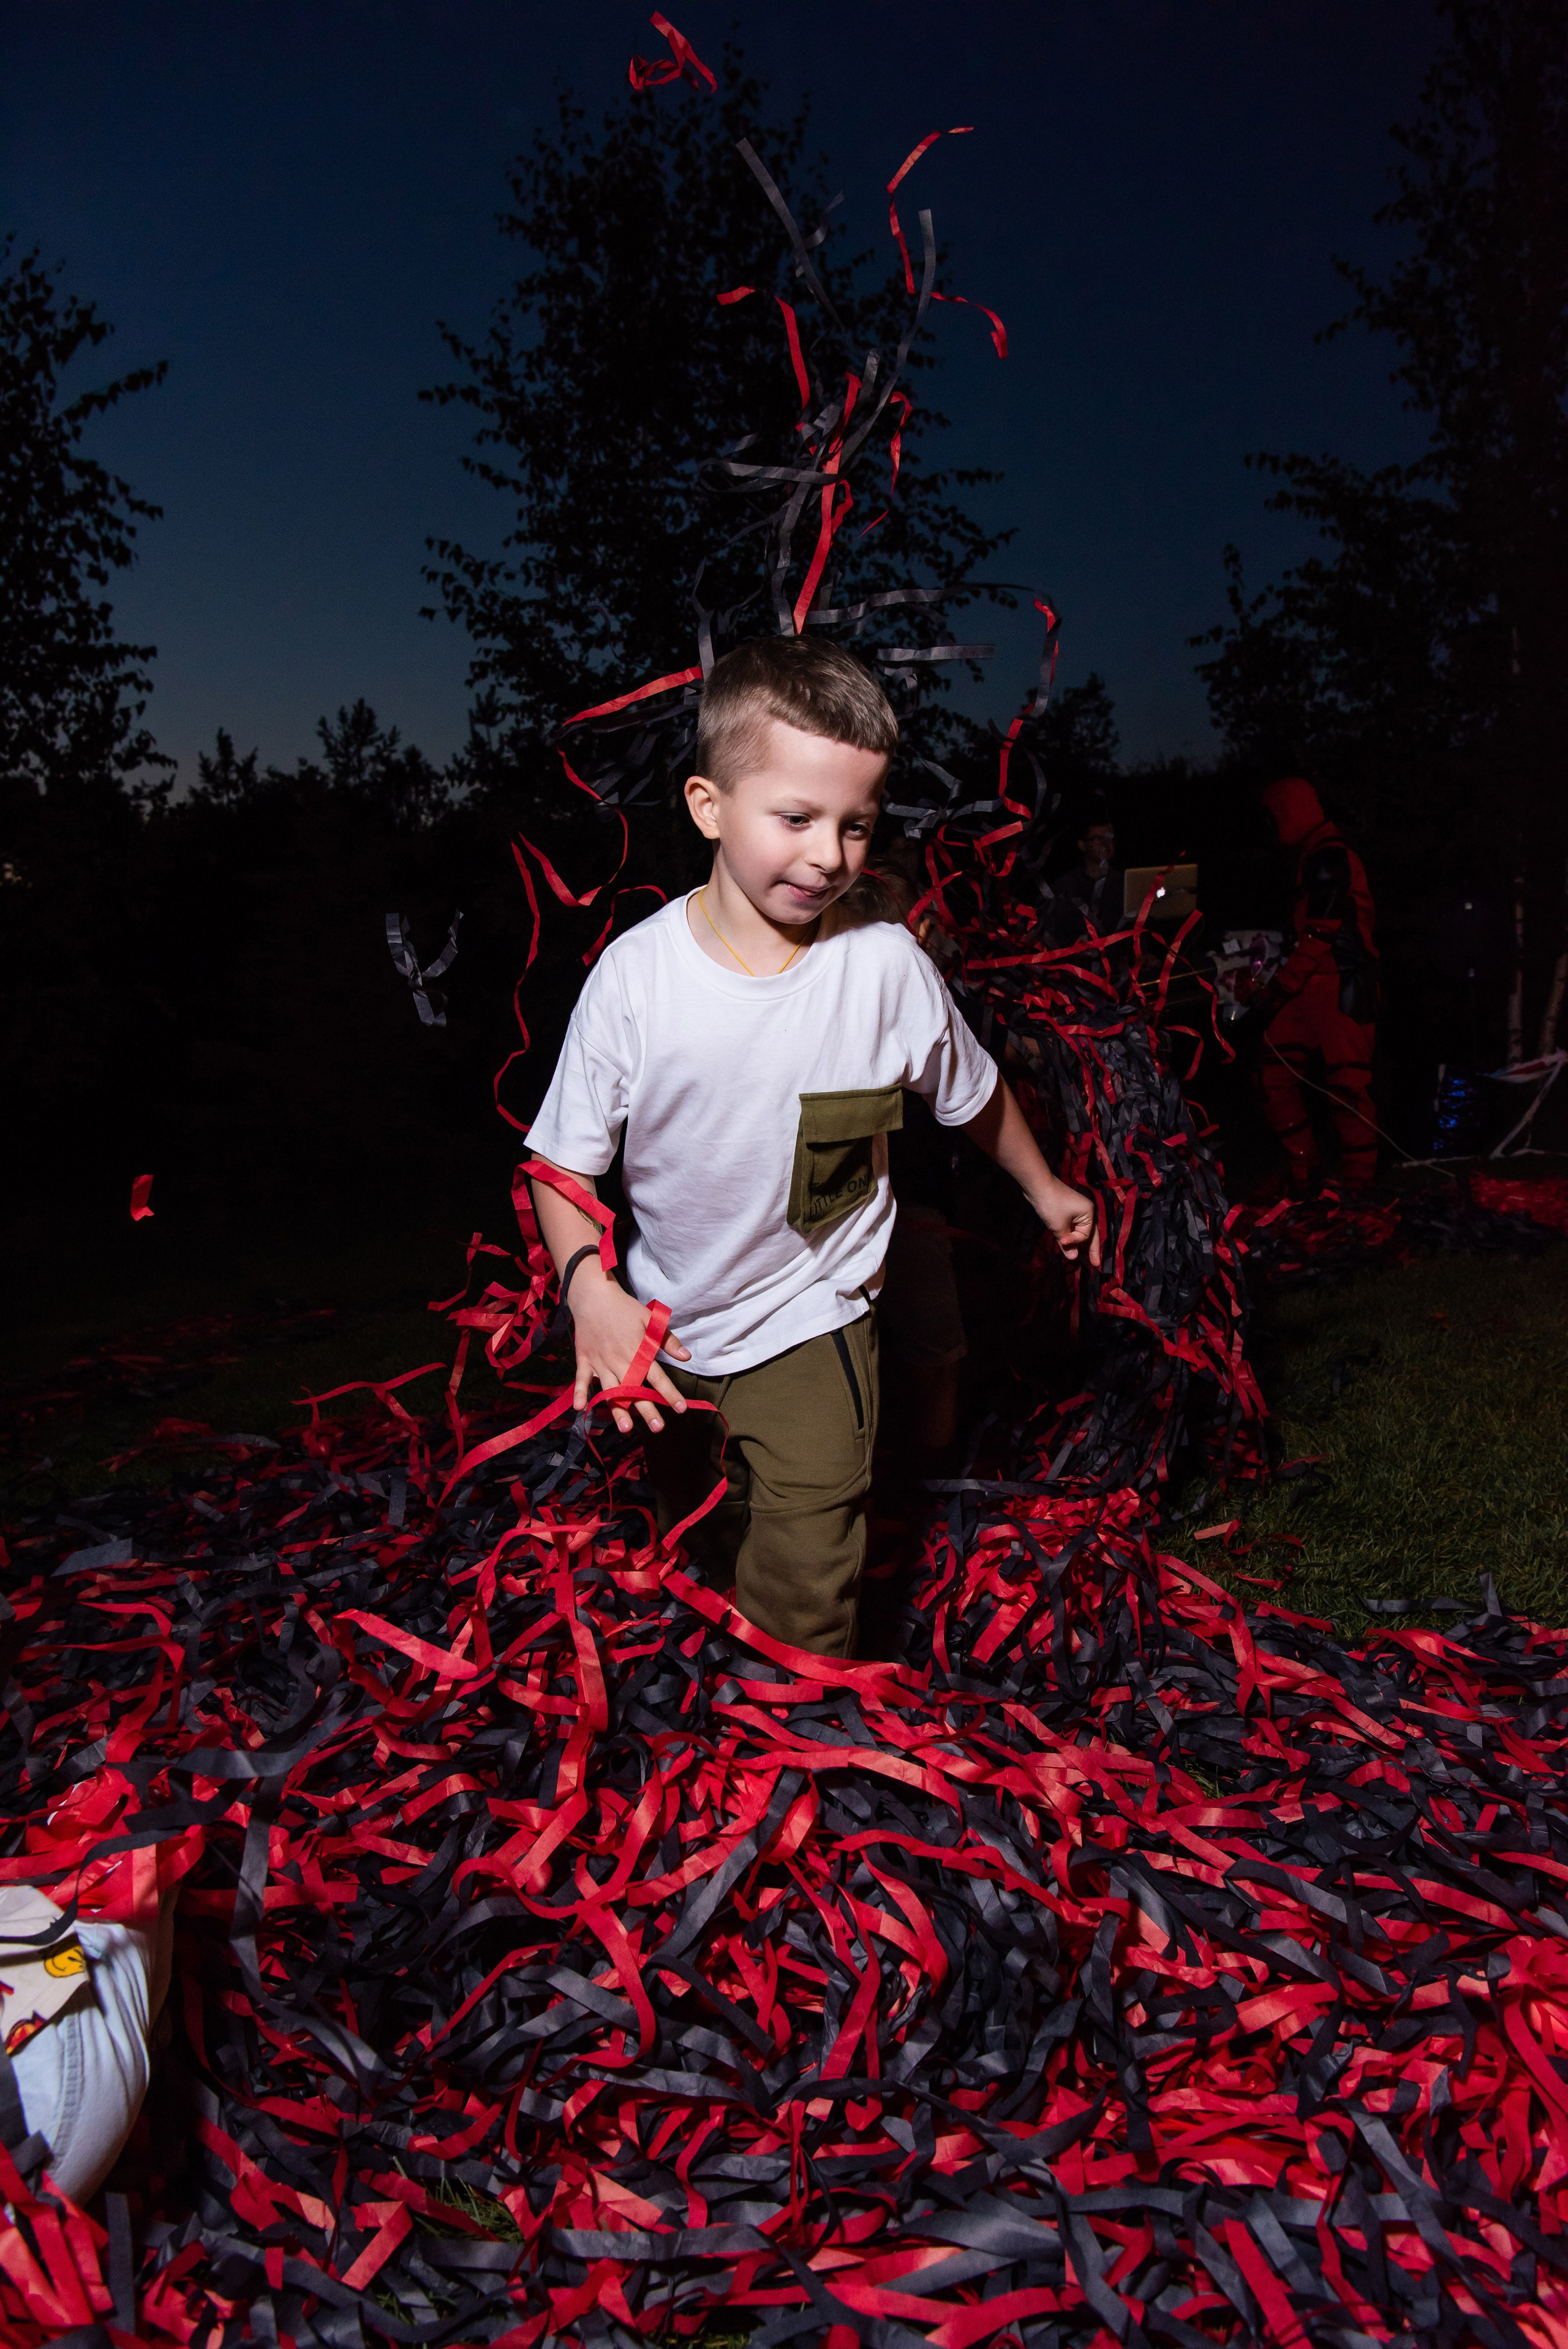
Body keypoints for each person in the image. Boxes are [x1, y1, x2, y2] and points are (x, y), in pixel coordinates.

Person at [525, 636, 1099, 1658]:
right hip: (670, 1336)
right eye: (796, 818)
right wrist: (589, 1291)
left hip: (817, 1317)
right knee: (704, 1550)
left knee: (803, 1580)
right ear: (709, 807)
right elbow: (561, 1166)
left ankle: (794, 1720)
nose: (831, 855)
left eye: (856, 824)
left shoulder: (884, 969)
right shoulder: (635, 981)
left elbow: (972, 1093)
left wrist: (1045, 1187)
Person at [1246, 775, 1380, 1193]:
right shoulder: (1316, 854)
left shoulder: (1327, 857)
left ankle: (1359, 1184)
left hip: (1341, 983)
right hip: (1316, 985)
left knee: (1348, 1085)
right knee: (1272, 1074)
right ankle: (1305, 1170)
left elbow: (1320, 934)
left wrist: (1282, 986)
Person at [1055, 804, 1123, 933]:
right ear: (1082, 845)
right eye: (1098, 839)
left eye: (1109, 837)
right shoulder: (1067, 886)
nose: (1106, 843)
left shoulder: (1124, 883)